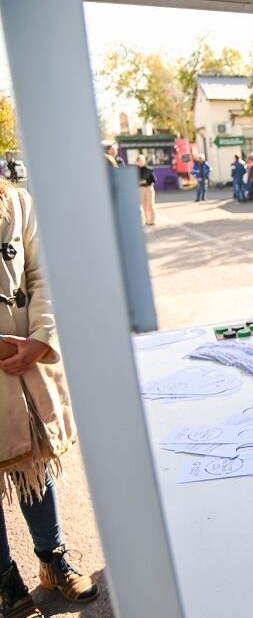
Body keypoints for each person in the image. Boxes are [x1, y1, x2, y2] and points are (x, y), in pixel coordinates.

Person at [0, 180, 99, 618]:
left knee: (33, 462)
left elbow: (44, 273)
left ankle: (52, 558)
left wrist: (41, 338)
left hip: (24, 360)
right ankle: (6, 583)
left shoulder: (17, 201)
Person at [136, 154, 156, 226]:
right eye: (140, 160)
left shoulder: (149, 169)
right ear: (137, 162)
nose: (141, 162)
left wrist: (147, 181)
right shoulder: (135, 171)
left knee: (150, 205)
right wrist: (139, 182)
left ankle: (152, 221)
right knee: (144, 206)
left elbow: (154, 180)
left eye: (142, 160)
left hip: (148, 188)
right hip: (140, 189)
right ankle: (147, 221)